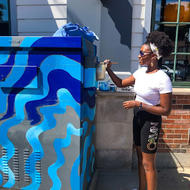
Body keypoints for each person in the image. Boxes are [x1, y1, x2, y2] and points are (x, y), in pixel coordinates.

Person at [104, 31, 173, 190]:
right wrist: (108, 70)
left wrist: (139, 104)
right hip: (139, 119)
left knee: (148, 164)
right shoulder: (140, 72)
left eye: (142, 53)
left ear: (154, 56)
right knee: (141, 159)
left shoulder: (162, 78)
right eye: (139, 52)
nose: (139, 55)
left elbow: (165, 110)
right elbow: (121, 83)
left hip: (151, 122)